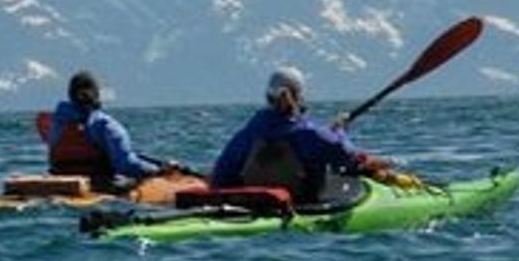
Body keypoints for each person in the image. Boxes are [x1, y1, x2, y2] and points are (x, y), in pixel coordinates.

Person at [208, 66, 398, 204]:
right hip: (303, 203)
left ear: (267, 96)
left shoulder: (246, 134)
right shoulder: (310, 133)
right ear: (299, 96)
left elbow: (219, 179)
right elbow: (348, 157)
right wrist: (340, 130)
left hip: (250, 206)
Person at [44, 70, 180, 190]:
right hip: (99, 184)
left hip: (59, 178)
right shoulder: (105, 125)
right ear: (96, 95)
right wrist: (160, 170)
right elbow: (126, 165)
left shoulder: (55, 123)